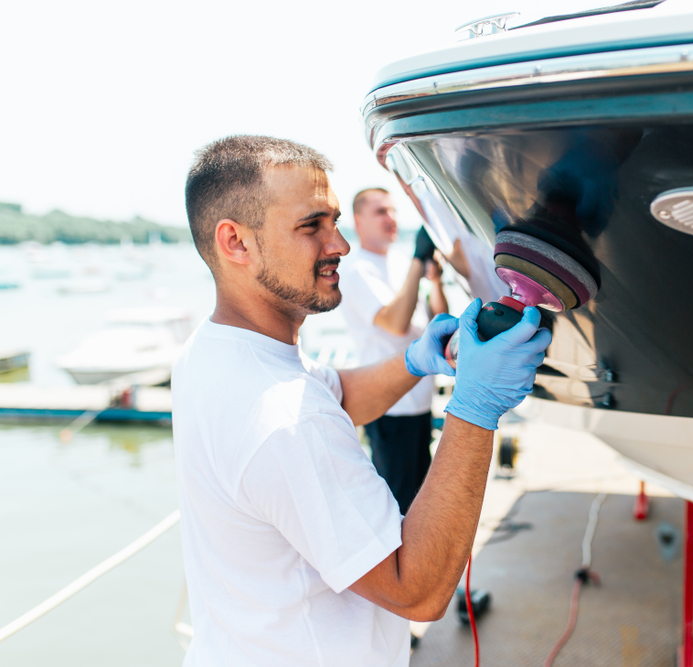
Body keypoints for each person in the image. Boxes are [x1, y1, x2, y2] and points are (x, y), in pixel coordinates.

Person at [172, 135, 550, 666]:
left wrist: (420, 358)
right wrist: (476, 407)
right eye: (312, 227)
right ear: (236, 243)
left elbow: (338, 394)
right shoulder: (287, 420)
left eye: (334, 221)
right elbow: (417, 591)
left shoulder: (209, 352)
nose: (340, 245)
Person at [337, 189, 446, 514]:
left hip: (420, 399)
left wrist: (436, 280)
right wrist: (417, 261)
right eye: (381, 212)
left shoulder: (400, 263)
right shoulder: (356, 269)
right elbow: (396, 324)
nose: (392, 218)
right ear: (358, 221)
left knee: (422, 501)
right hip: (389, 405)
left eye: (394, 211)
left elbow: (438, 321)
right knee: (400, 505)